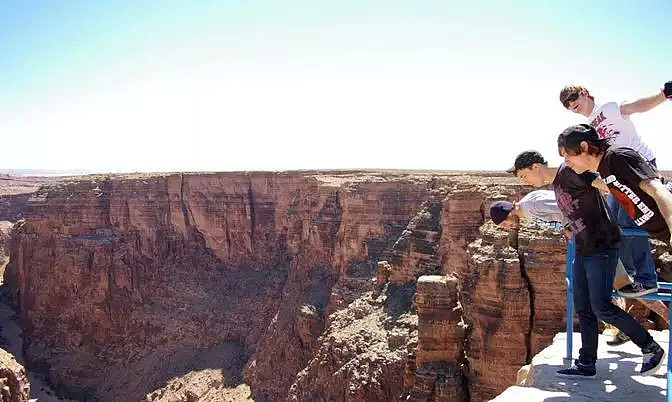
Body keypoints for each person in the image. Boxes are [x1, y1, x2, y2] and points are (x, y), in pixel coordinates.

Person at [508, 149, 665, 378]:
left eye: (524, 176)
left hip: (601, 244)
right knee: (583, 306)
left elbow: (607, 187)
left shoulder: (570, 172)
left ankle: (650, 347)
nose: (526, 182)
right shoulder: (556, 185)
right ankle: (586, 364)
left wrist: (648, 195)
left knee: (601, 306)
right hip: (583, 247)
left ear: (535, 166)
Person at [558, 82, 672, 297]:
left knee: (631, 222)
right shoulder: (589, 127)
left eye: (573, 97)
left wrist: (663, 94)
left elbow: (635, 106)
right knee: (614, 226)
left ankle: (646, 278)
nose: (571, 104)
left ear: (584, 92)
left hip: (636, 165)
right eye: (566, 104)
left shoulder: (608, 109)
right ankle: (631, 276)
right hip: (614, 174)